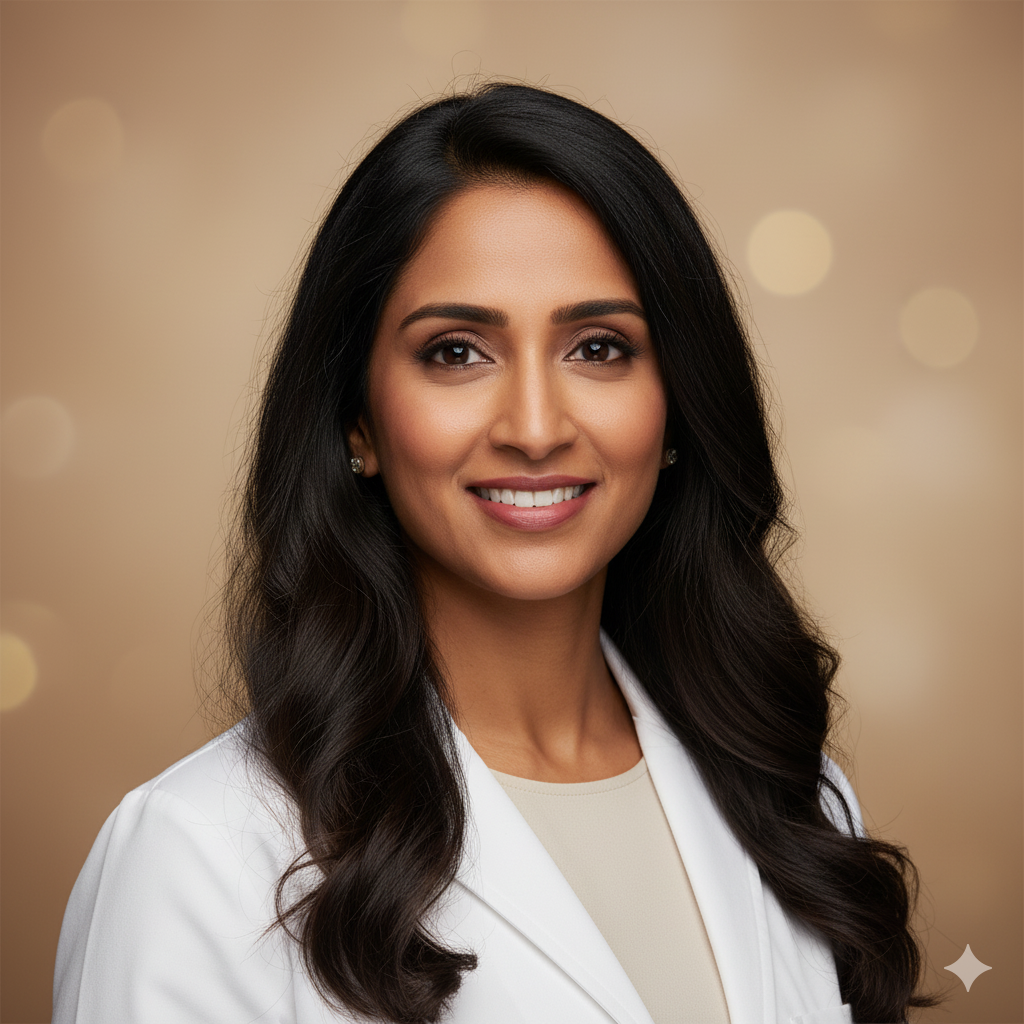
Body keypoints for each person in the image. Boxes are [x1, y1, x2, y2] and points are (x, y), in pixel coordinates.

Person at [53, 83, 936, 1024]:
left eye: (598, 347)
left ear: (676, 403)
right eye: (457, 352)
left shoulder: (792, 797)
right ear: (357, 418)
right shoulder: (196, 854)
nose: (534, 426)